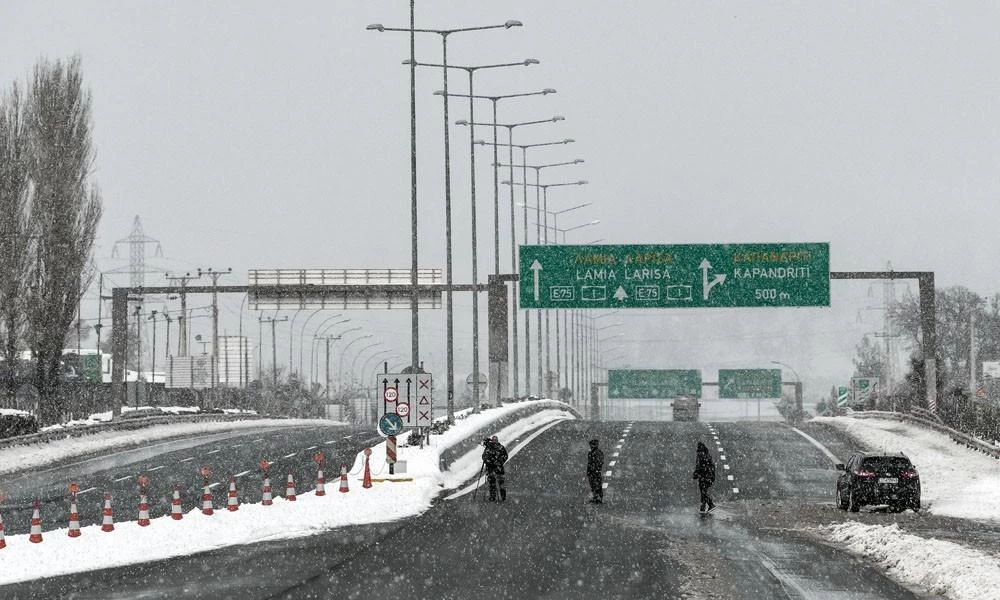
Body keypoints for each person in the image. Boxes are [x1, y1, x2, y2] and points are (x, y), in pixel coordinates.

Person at [482, 435, 508, 502]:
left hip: (498, 468)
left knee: (499, 483)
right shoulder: (490, 448)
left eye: (495, 440)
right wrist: (489, 462)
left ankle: (502, 497)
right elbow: (484, 457)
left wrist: (499, 462)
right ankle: (493, 497)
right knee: (492, 483)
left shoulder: (500, 447)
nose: (494, 441)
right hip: (493, 468)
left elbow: (505, 456)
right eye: (493, 440)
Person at [692, 441, 716, 513]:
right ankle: (703, 507)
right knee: (704, 491)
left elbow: (699, 466)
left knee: (703, 492)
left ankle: (710, 505)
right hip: (709, 476)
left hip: (704, 476)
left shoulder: (700, 455)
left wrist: (695, 474)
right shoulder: (707, 454)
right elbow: (710, 466)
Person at [586, 438, 604, 504]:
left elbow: (593, 463)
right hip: (595, 471)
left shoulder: (594, 453)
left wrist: (593, 469)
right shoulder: (595, 453)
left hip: (594, 471)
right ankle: (597, 497)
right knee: (595, 484)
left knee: (595, 484)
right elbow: (590, 463)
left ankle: (597, 497)